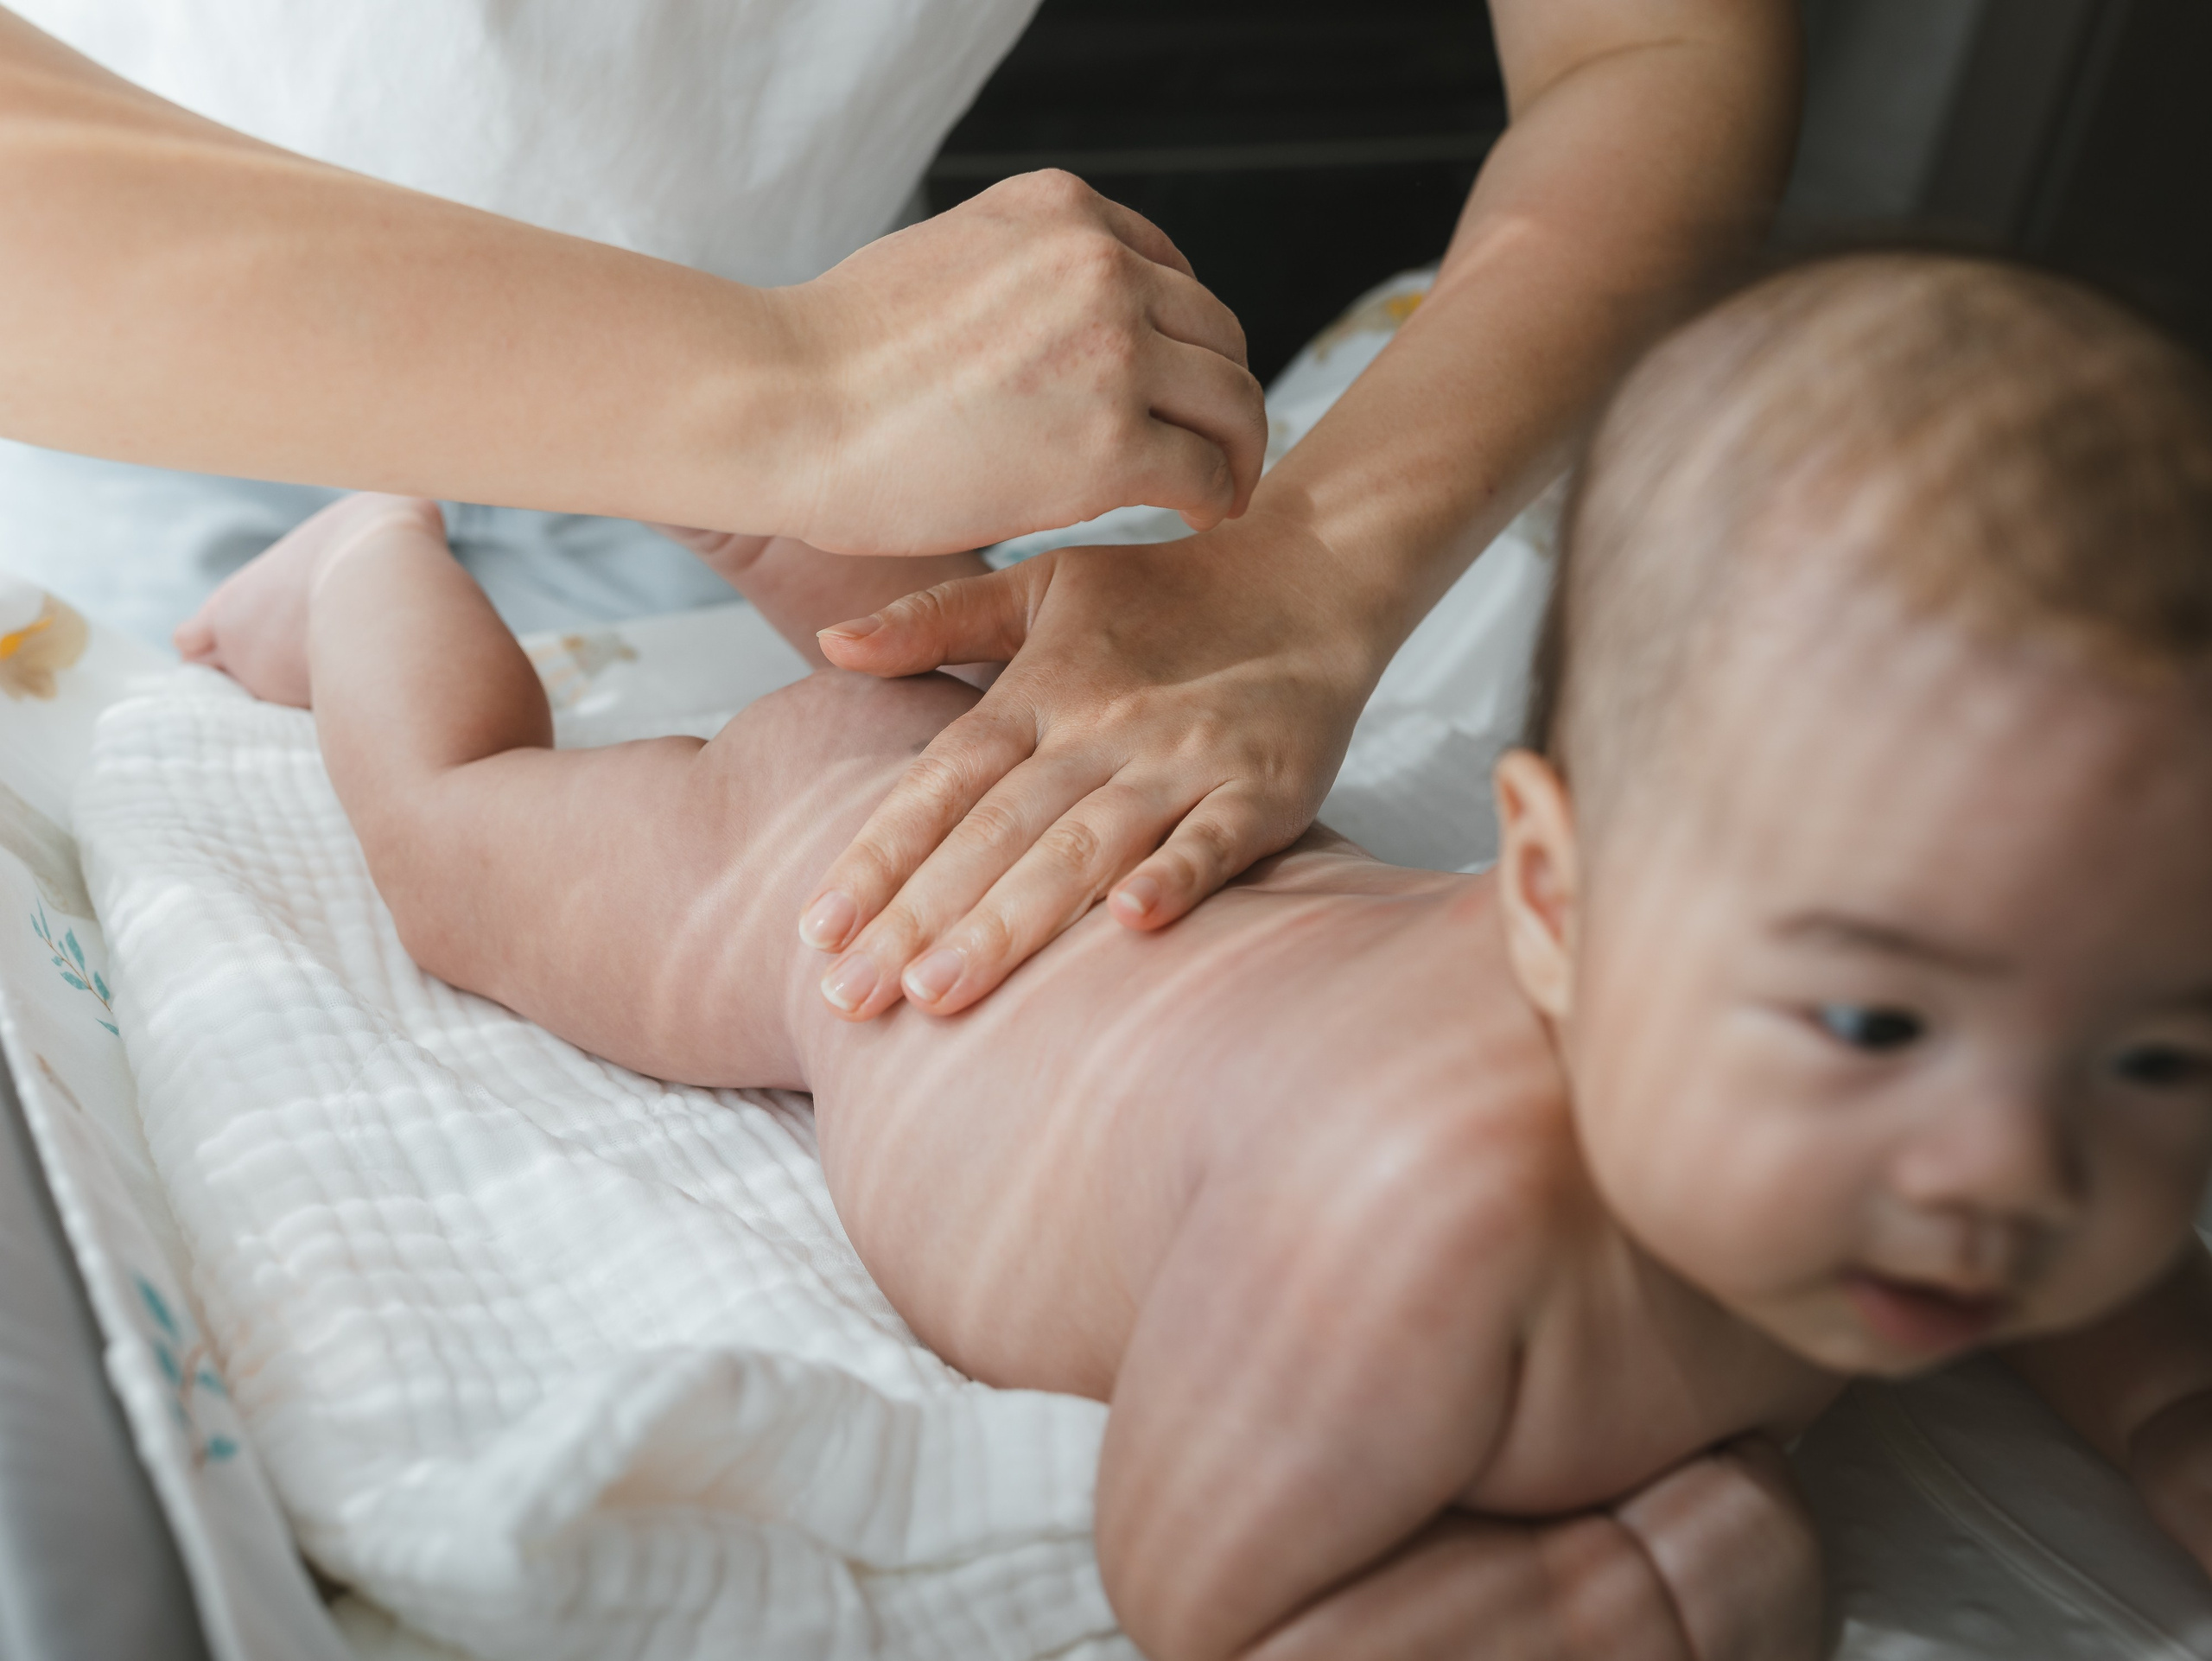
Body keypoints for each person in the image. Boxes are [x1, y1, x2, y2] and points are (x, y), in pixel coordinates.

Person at [175, 253, 2212, 1658]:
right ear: (1555, 907)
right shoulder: (1414, 1223)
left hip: (1146, 813)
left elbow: (2055, 1263)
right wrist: (1653, 1591)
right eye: (1869, 1021)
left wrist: (2157, 1402)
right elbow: (1199, 1588)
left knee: (955, 675)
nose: (2006, 1176)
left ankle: (795, 526)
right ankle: (358, 571)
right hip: (882, 916)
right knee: (462, 854)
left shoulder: (1923, 1144)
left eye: (2153, 1056)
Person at [0, 0, 1804, 1011]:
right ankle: (357, 576)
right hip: (91, 408)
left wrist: (1306, 576)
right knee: (525, 842)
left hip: (802, 465)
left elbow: (1647, 59)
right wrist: (793, 386)